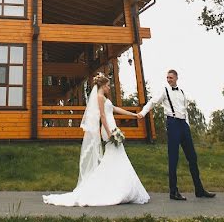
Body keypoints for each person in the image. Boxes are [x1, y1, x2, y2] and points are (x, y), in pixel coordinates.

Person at [43, 73, 150, 206]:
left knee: (116, 156)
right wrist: (110, 132)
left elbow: (115, 109)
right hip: (109, 128)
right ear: (103, 86)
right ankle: (118, 188)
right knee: (116, 155)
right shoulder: (99, 97)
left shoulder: (104, 98)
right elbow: (103, 116)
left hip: (112, 127)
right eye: (107, 85)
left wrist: (134, 115)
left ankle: (119, 187)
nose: (109, 88)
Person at [139, 69, 216, 200]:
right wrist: (143, 112)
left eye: (171, 78)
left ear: (176, 78)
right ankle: (173, 191)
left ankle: (199, 189)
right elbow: (152, 102)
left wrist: (187, 125)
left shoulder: (181, 92)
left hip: (183, 125)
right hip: (173, 124)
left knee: (192, 157)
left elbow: (184, 110)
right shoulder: (164, 90)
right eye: (167, 77)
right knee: (173, 158)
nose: (168, 80)